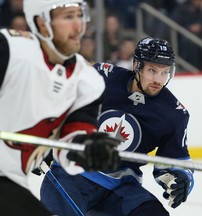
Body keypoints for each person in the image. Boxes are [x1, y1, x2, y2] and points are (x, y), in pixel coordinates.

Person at [40, 37, 195, 216]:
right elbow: (60, 104)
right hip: (72, 175)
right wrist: (43, 139)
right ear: (137, 65)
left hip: (121, 190)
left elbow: (176, 161)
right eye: (152, 70)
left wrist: (181, 179)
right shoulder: (101, 77)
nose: (158, 80)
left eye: (164, 72)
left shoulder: (173, 113)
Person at [0, 0, 120, 215]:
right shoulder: (9, 50)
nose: (78, 25)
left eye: (79, 15)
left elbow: (70, 146)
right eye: (67, 17)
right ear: (41, 23)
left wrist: (88, 149)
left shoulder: (88, 81)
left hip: (12, 181)